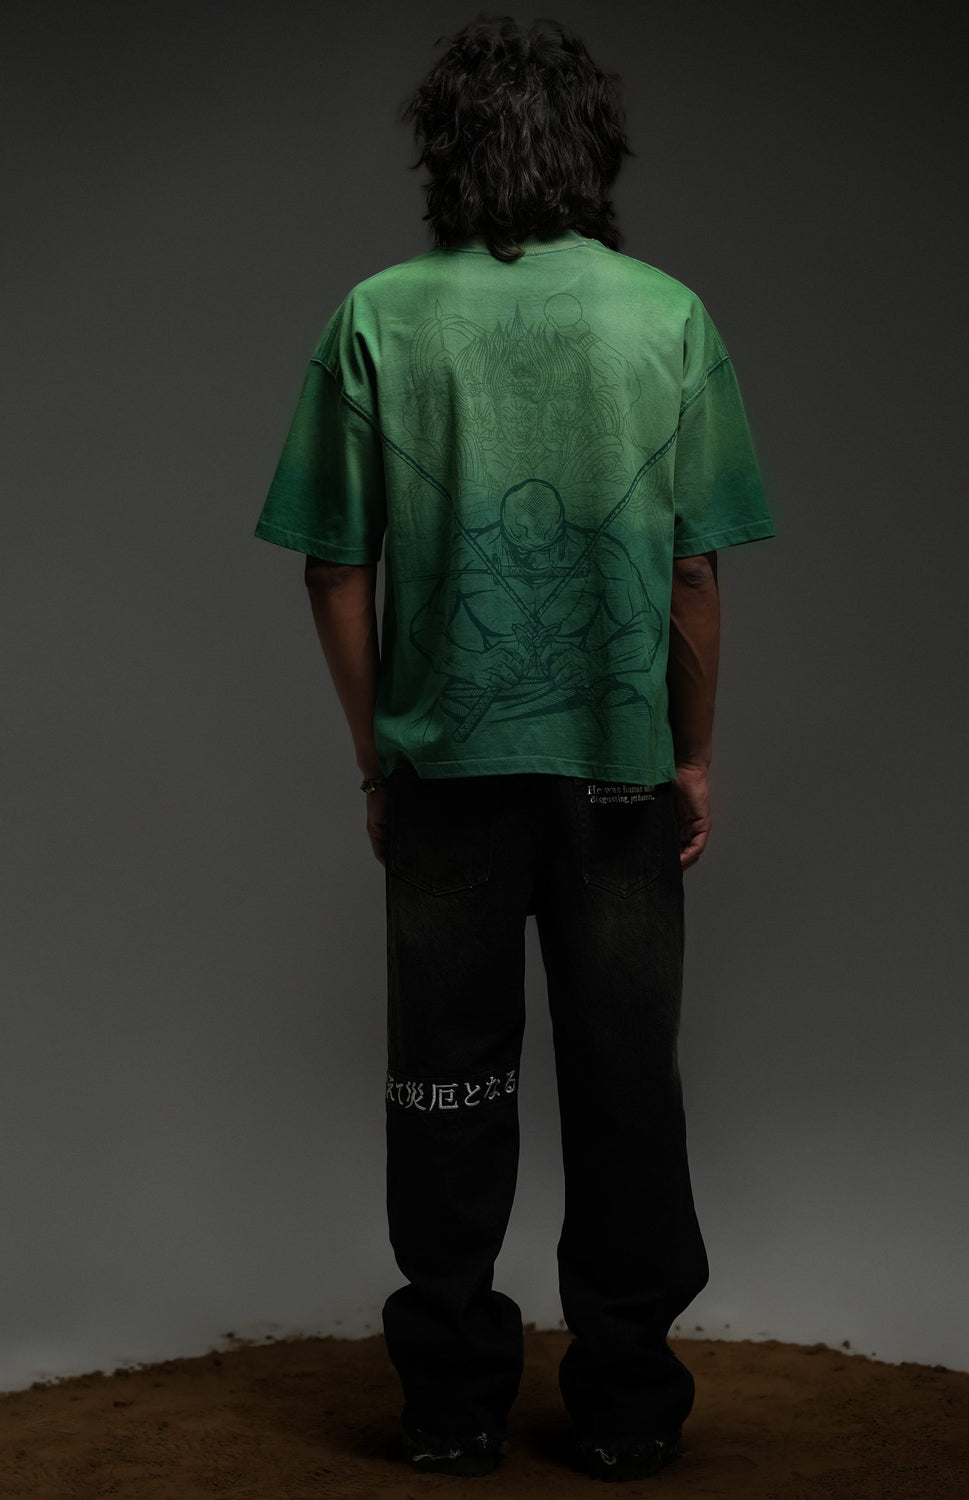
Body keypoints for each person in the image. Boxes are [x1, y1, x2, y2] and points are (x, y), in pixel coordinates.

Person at [254, 15, 773, 1483]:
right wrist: (692, 757)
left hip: (445, 779)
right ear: (594, 148)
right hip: (620, 774)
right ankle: (626, 1404)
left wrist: (381, 758)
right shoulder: (667, 316)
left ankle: (451, 1404)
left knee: (447, 1087)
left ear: (445, 149)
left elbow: (332, 567)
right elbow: (692, 571)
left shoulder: (376, 314)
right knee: (625, 1085)